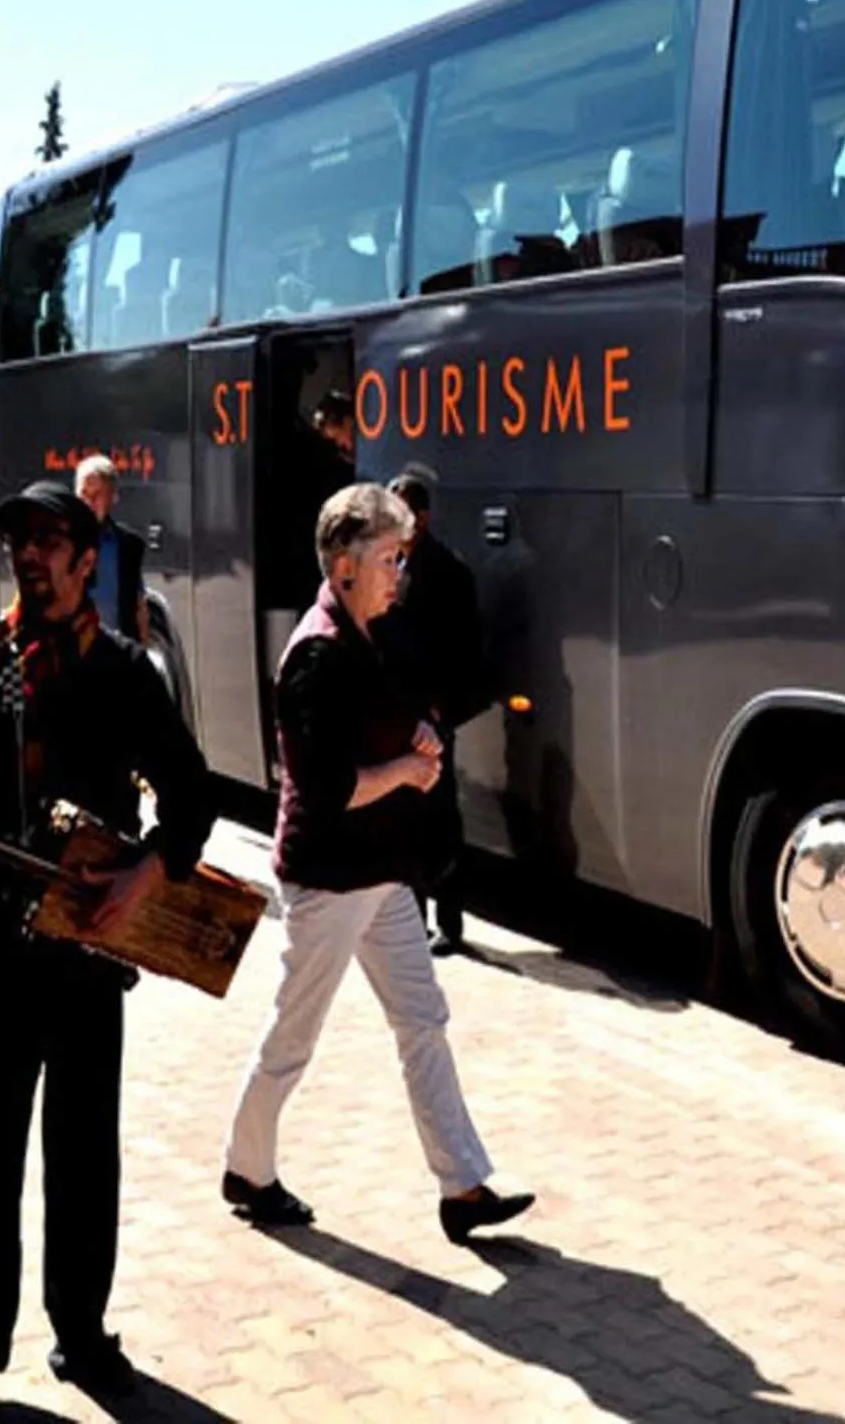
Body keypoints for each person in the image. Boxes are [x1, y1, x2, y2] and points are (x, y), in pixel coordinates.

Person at [0, 479, 216, 1424]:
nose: (30, 555)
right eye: (19, 540)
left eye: (49, 540)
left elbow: (191, 800)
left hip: (86, 950)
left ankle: (83, 1333)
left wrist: (144, 878)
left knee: (84, 1154)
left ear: (85, 558)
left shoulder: (122, 671)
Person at [221, 483, 533, 1243]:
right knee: (295, 1035)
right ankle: (246, 1167)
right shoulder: (314, 657)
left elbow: (400, 718)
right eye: (391, 557)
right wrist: (404, 771)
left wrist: (421, 739)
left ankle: (462, 1187)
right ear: (344, 563)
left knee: (422, 1019)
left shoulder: (374, 631)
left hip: (381, 873)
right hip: (329, 878)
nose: (402, 571)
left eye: (404, 555)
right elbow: (325, 791)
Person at [381, 468, 489, 955]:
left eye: (401, 512)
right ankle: (414, 918)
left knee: (439, 815)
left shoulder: (446, 571)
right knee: (408, 816)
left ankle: (450, 921)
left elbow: (462, 646)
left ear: (422, 517)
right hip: (401, 707)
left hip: (432, 710)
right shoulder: (391, 565)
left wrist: (442, 704)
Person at [73, 453, 149, 642]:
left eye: (97, 495)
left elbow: (138, 606)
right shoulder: (62, 543)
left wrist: (143, 655)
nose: (89, 502)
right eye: (84, 494)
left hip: (117, 658)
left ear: (113, 497)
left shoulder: (129, 545)